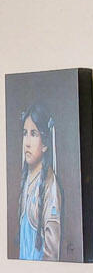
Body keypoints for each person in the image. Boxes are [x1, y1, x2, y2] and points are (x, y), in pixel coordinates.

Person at [17, 104, 62, 261]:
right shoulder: (27, 179)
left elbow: (52, 254)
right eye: (25, 133)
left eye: (34, 134)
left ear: (45, 144)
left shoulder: (50, 185)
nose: (27, 142)